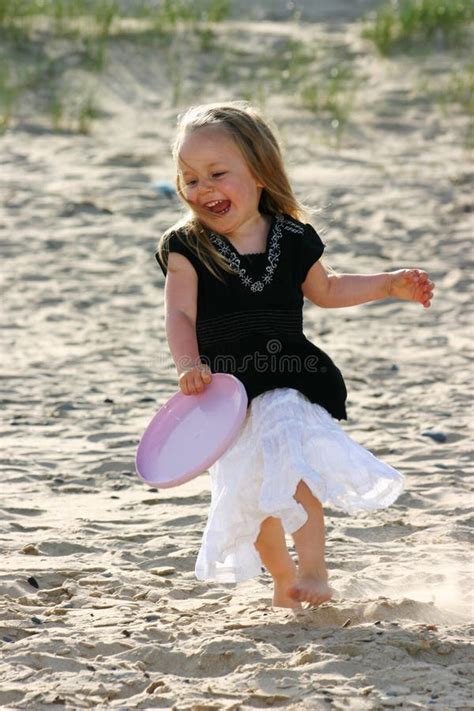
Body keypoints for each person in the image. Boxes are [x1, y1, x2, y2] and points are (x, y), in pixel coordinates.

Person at [155, 101, 435, 610]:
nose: (204, 189)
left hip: (288, 378)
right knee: (254, 499)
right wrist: (188, 365)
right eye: (190, 178)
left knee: (294, 471)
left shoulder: (291, 236)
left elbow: (327, 289)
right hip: (230, 398)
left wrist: (389, 285)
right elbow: (179, 315)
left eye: (218, 174)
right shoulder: (186, 246)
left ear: (260, 174)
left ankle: (314, 569)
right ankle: (284, 579)